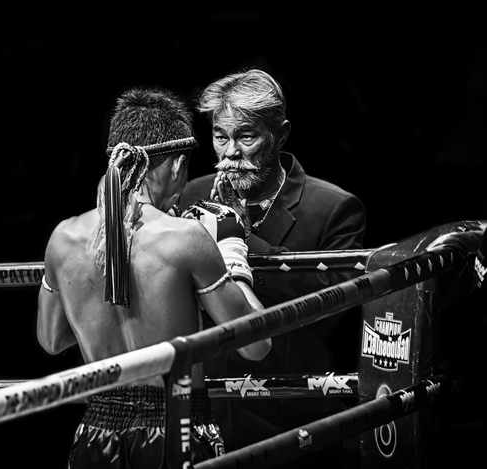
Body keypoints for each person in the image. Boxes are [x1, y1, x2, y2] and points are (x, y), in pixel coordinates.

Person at [36, 88, 271, 468]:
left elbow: (52, 340)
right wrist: (231, 255)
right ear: (176, 165)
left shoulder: (63, 237)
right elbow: (256, 345)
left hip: (96, 431)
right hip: (176, 427)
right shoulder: (184, 238)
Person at [178, 68, 367, 467]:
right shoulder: (191, 194)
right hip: (206, 414)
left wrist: (240, 235)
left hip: (291, 416)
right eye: (220, 136)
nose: (230, 152)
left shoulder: (334, 207)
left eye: (246, 137)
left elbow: (334, 308)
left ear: (280, 134)